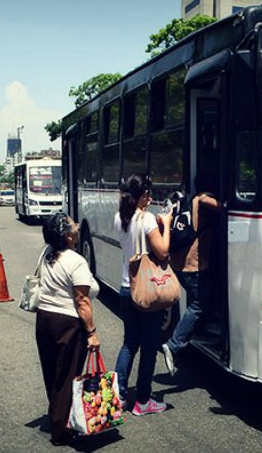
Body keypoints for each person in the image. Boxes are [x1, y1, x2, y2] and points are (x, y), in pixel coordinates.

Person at [35, 212, 101, 446]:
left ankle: (57, 416)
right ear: (68, 236)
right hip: (68, 324)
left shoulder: (47, 254)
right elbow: (82, 301)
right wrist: (91, 333)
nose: (77, 226)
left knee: (52, 373)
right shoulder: (76, 261)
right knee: (67, 376)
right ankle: (61, 431)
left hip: (44, 319)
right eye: (73, 224)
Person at [114, 174, 172, 416]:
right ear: (140, 196)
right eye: (147, 194)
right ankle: (144, 400)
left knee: (129, 343)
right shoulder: (147, 218)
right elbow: (163, 250)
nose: (150, 198)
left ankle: (119, 396)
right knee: (149, 347)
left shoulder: (120, 218)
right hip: (146, 292)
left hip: (126, 288)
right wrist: (166, 225)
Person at [162, 176, 221, 376]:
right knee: (198, 304)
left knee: (204, 298)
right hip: (193, 265)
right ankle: (174, 344)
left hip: (179, 263)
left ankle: (201, 332)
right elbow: (217, 205)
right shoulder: (202, 200)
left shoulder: (186, 200)